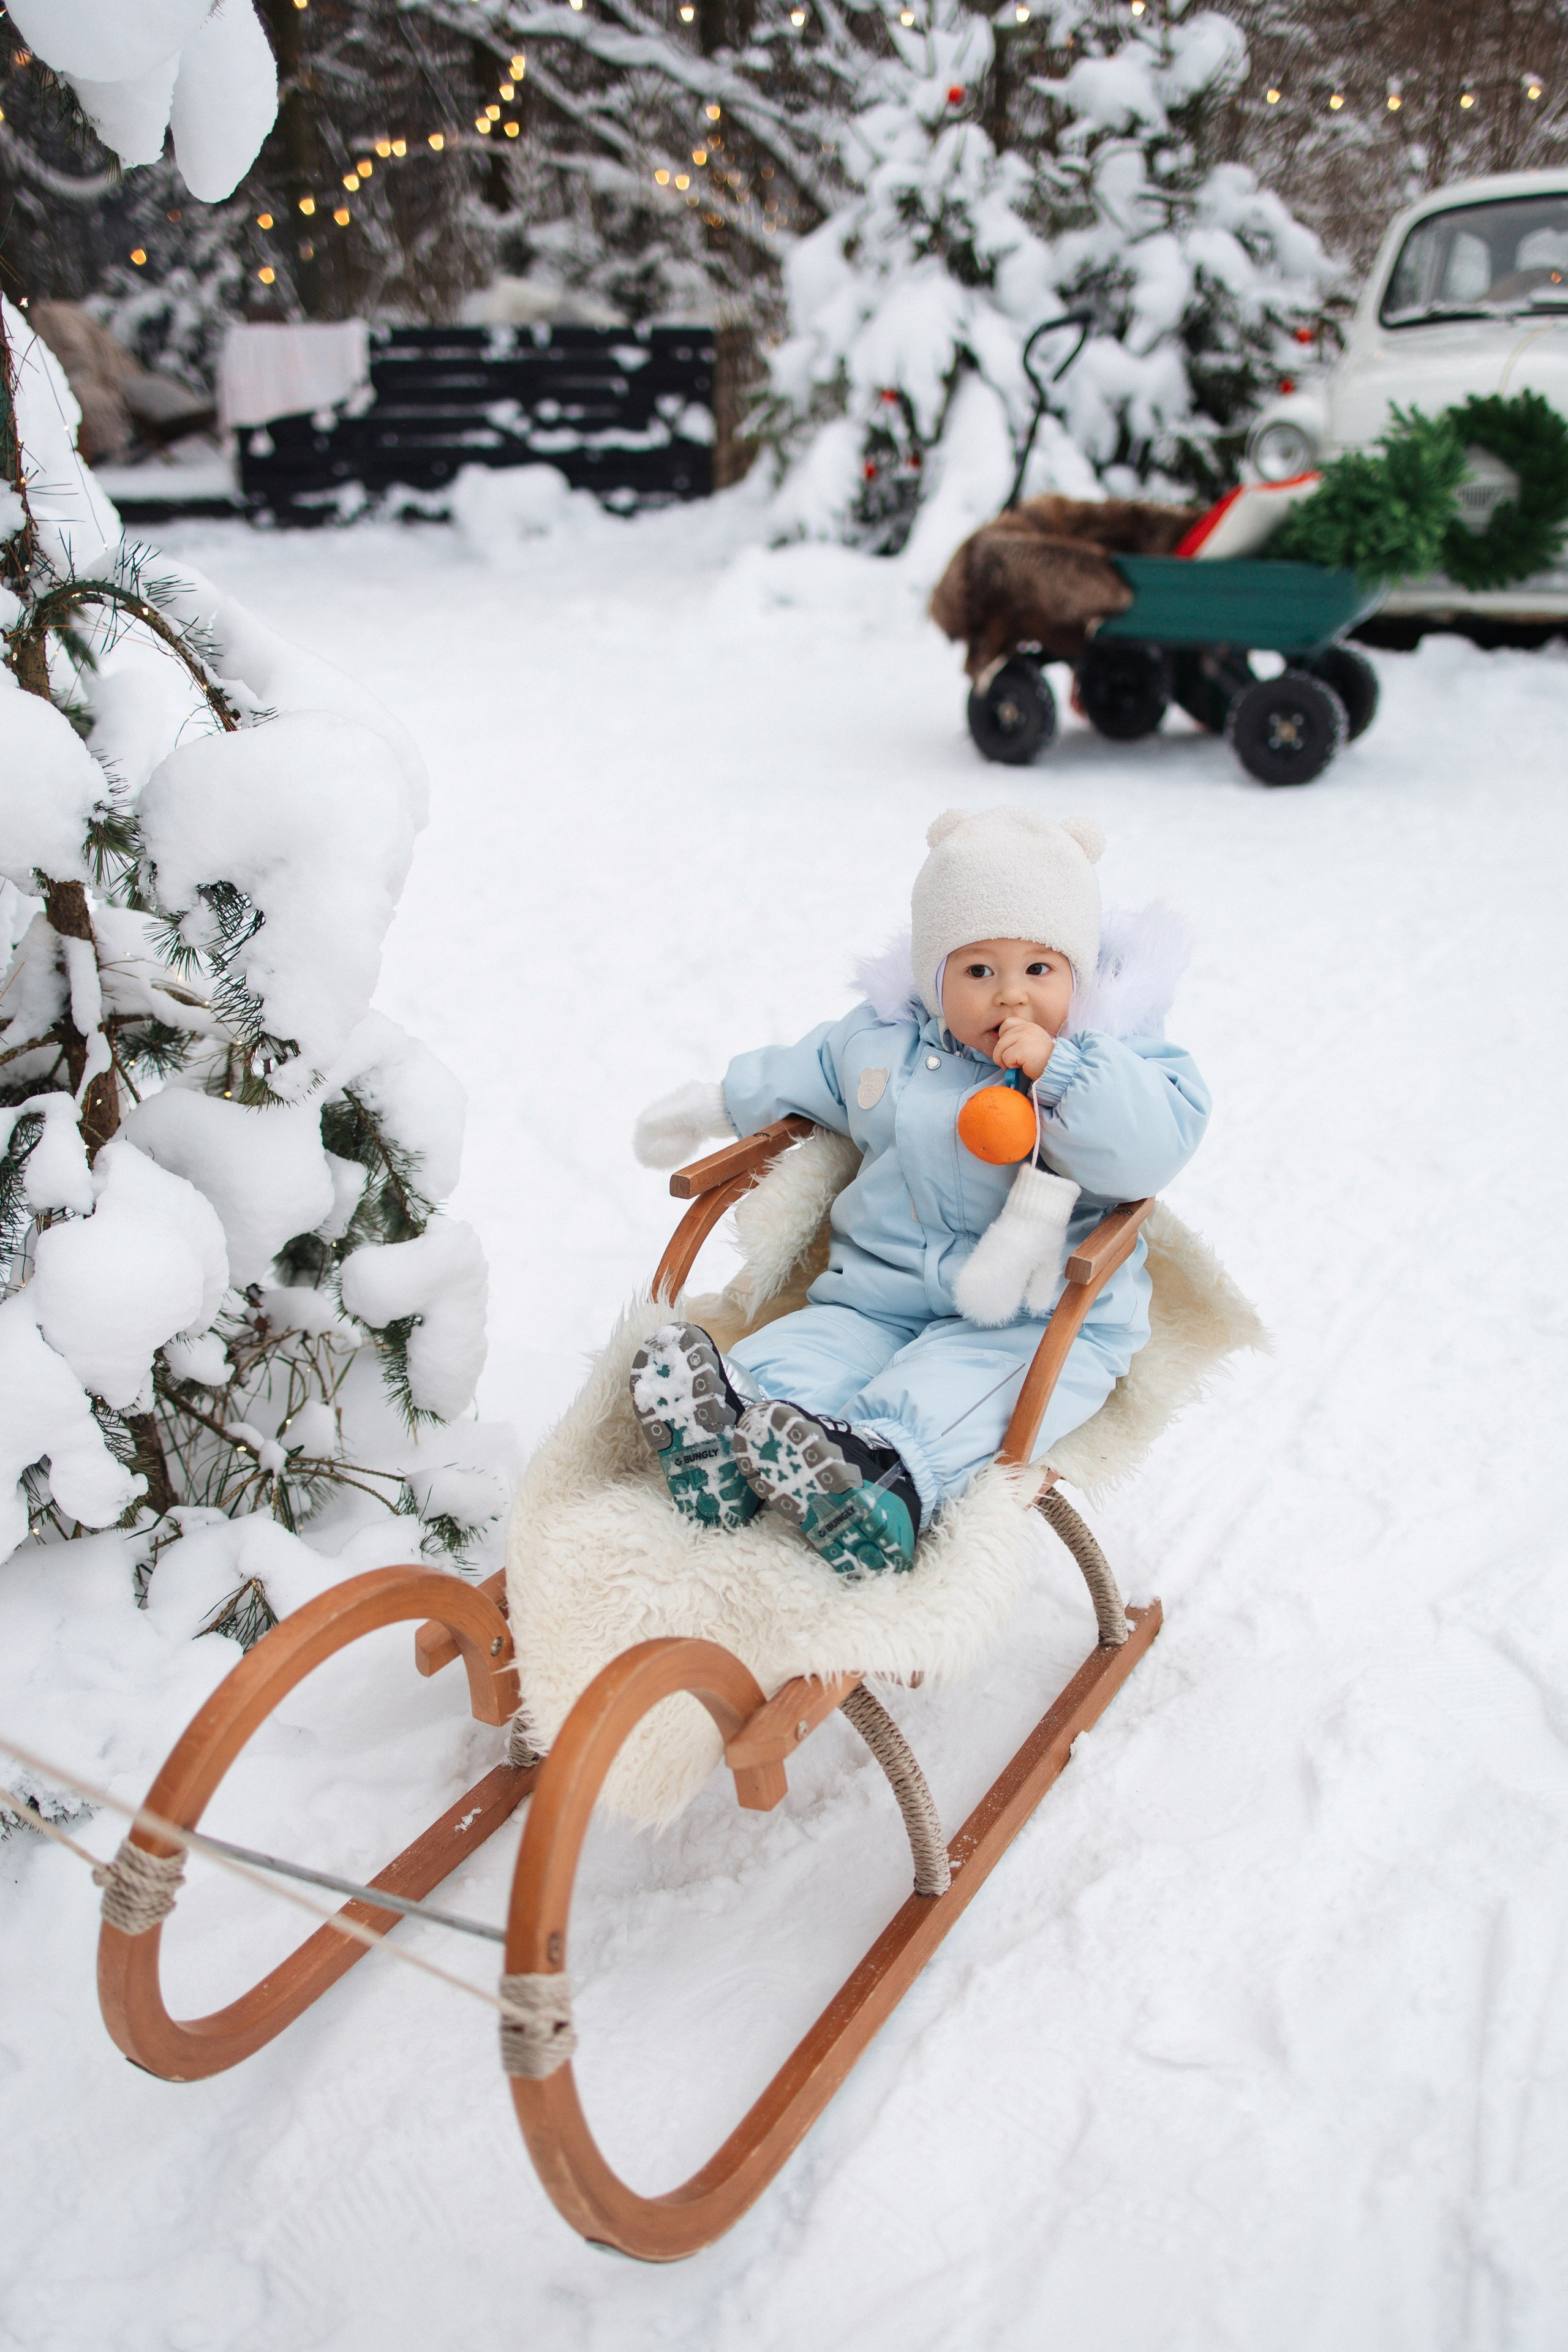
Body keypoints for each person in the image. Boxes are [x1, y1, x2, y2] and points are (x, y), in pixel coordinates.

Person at [628, 805, 1210, 1575]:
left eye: (1039, 970)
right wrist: (712, 1103)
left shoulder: (1112, 1056)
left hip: (1029, 1320)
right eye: (978, 971)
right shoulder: (882, 1042)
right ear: (934, 975)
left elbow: (1148, 1151)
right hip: (877, 1295)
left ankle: (884, 1488)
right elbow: (804, 1073)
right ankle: (725, 1439)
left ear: (1077, 972)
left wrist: (1061, 1074)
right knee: (798, 1359)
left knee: (948, 1393)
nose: (1010, 998)